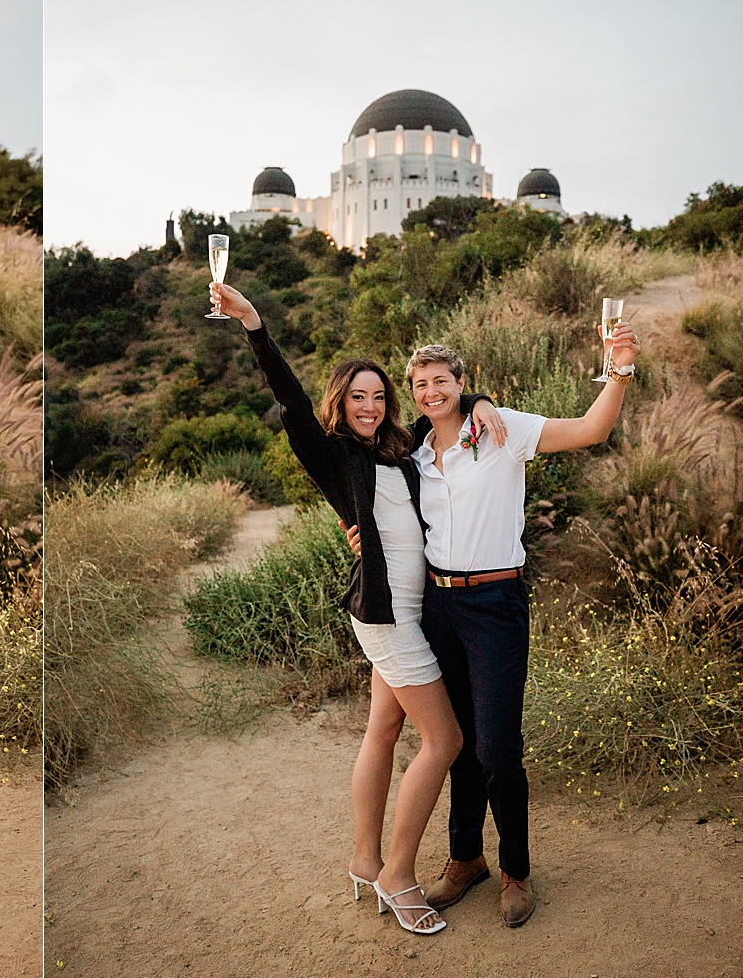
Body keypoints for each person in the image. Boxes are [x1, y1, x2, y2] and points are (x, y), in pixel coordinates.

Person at [211, 282, 504, 935]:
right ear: (339, 405)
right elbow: (288, 397)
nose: (369, 406)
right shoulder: (334, 454)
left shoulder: (401, 451)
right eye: (357, 397)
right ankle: (401, 873)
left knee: (382, 730)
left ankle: (366, 859)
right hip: (387, 619)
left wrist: (479, 398)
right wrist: (256, 326)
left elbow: (450, 409)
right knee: (447, 738)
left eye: (377, 396)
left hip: (409, 611)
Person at [387, 327, 639, 928]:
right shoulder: (415, 453)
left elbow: (590, 430)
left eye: (441, 382)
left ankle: (516, 871)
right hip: (438, 606)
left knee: (498, 746)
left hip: (496, 601)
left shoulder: (503, 430)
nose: (430, 392)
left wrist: (620, 371)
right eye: (420, 385)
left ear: (462, 384)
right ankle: (465, 858)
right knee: (457, 745)